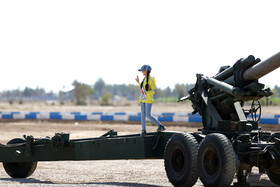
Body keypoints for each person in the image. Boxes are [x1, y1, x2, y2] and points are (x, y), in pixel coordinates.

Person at [135, 65, 165, 135]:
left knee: (148, 115)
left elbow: (153, 90)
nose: (142, 72)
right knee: (142, 115)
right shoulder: (144, 79)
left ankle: (160, 125)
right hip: (142, 99)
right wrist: (139, 82)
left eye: (143, 70)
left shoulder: (151, 80)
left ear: (147, 71)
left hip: (148, 100)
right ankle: (143, 131)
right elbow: (143, 88)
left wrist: (147, 93)